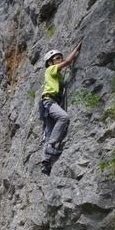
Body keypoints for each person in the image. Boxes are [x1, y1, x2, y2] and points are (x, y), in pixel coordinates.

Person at [40, 42, 82, 175]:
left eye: (60, 57)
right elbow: (68, 61)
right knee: (63, 117)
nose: (60, 59)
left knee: (50, 131)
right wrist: (76, 48)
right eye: (57, 58)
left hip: (49, 103)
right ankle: (51, 145)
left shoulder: (58, 76)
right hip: (49, 101)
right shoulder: (50, 70)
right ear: (50, 62)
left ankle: (46, 162)